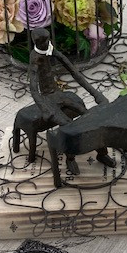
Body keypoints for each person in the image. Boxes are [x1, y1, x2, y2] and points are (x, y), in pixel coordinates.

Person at [29, 28, 115, 175]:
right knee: (69, 126)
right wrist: (45, 109)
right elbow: (33, 89)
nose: (47, 43)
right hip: (47, 99)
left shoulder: (51, 49)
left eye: (47, 40)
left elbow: (74, 72)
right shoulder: (35, 58)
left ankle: (102, 153)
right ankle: (70, 158)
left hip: (58, 94)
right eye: (44, 41)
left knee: (90, 118)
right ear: (37, 42)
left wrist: (95, 93)